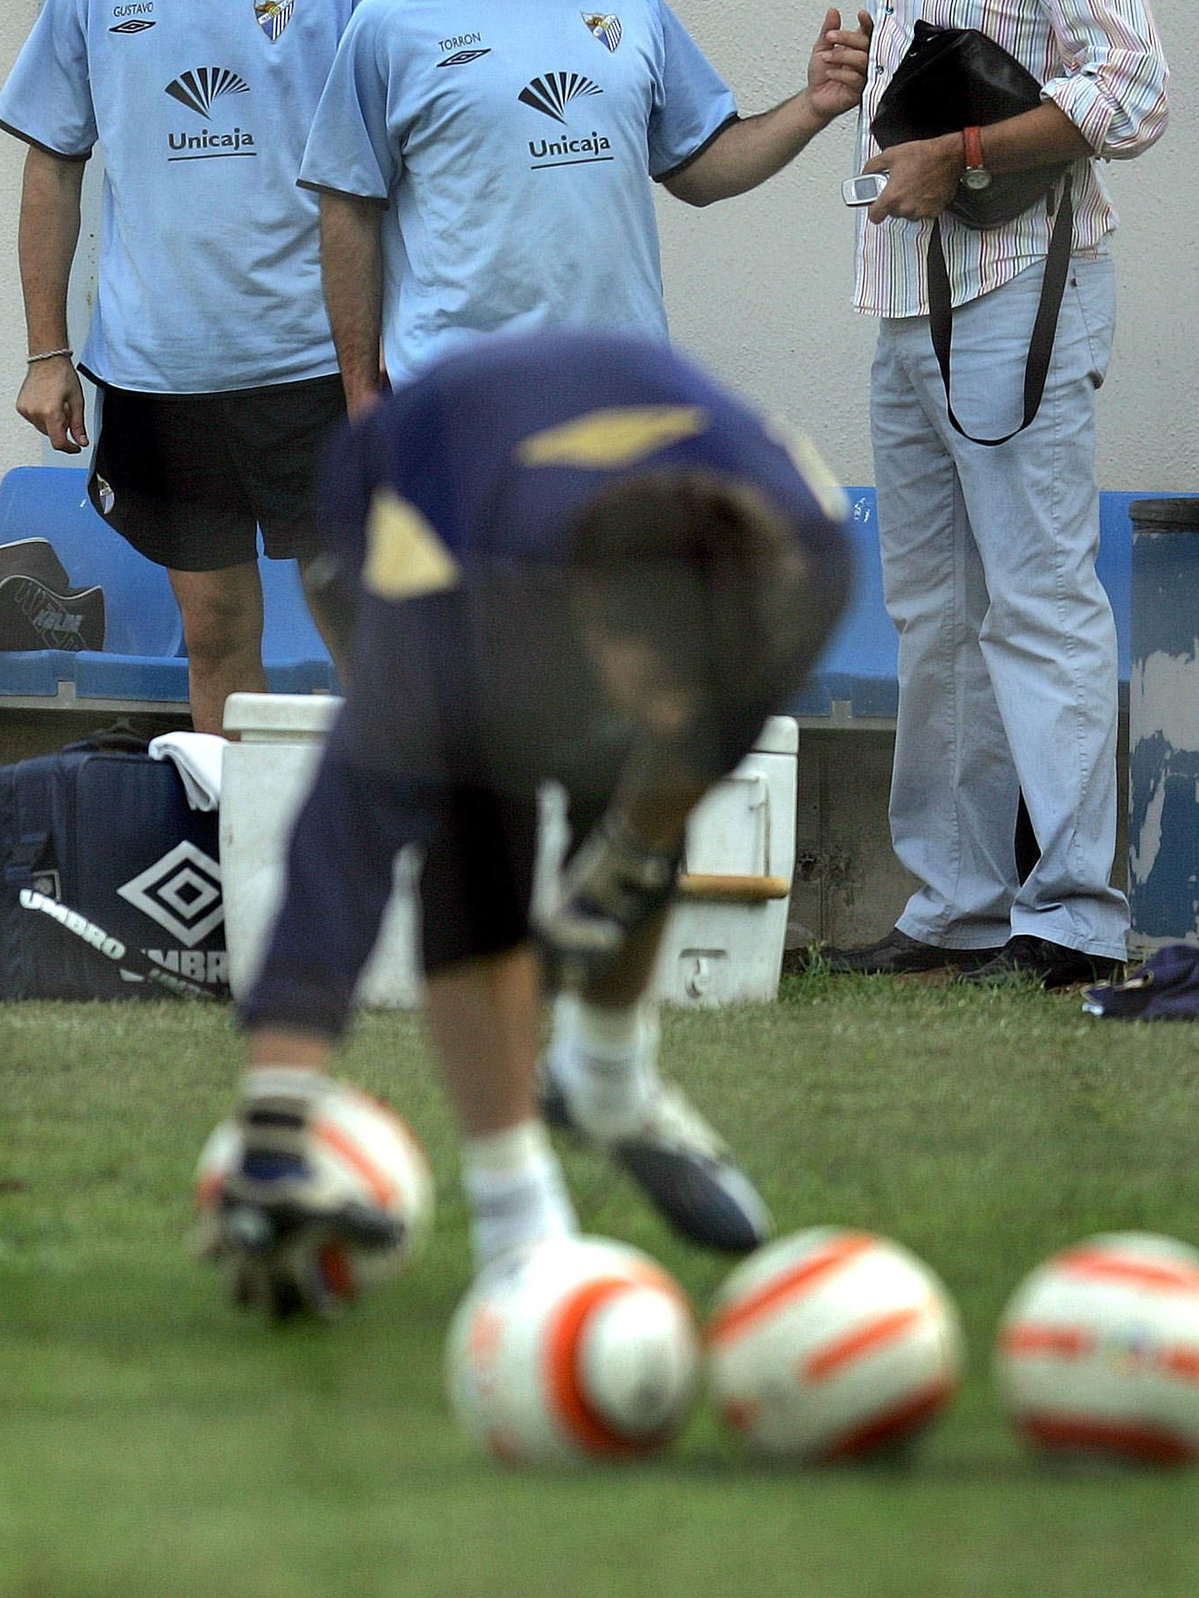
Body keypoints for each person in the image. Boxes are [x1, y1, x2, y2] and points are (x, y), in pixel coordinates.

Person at [195, 330, 850, 1317]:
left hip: (576, 471)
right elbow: (343, 844)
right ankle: (516, 1213)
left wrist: (624, 855)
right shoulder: (460, 604)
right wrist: (276, 1120)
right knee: (475, 831)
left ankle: (606, 1078)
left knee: (631, 801)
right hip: (399, 490)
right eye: (648, 685)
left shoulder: (808, 558)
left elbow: (696, 738)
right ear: (587, 622)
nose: (666, 720)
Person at [825, 0, 1169, 989]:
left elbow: (1132, 93)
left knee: (1034, 599)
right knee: (933, 610)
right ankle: (959, 902)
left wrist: (961, 155)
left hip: (1017, 289)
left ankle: (1073, 910)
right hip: (914, 296)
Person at [0, 0, 394, 733]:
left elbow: (403, 175)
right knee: (213, 633)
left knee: (363, 625)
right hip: (160, 372)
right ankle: (236, 870)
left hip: (314, 365)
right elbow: (52, 167)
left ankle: (391, 859)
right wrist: (49, 353)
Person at [298, 0, 870, 408]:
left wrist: (812, 106)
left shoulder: (630, 2)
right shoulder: (390, 23)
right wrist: (359, 391)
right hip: (461, 411)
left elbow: (700, 171)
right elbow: (348, 207)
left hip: (626, 398)